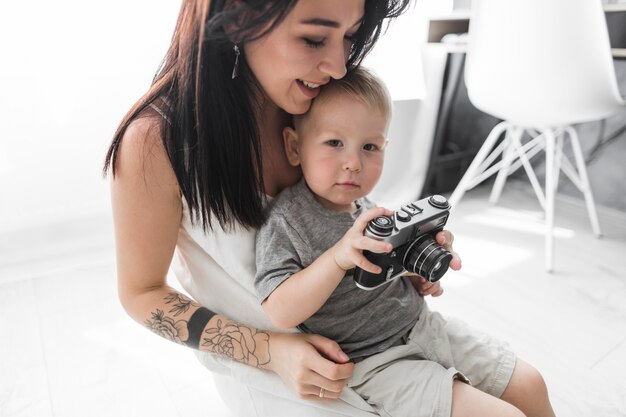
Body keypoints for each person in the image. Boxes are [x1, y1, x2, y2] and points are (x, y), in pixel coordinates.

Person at [103, 0, 554, 416]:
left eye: (351, 36)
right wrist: (270, 350)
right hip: (290, 375)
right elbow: (141, 294)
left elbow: (347, 224)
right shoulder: (156, 143)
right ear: (239, 16)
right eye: (314, 39)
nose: (338, 65)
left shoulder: (319, 101)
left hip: (395, 335)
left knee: (530, 386)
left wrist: (402, 258)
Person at [254, 67, 557, 417]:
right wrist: (338, 258)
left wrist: (416, 273)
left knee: (530, 382)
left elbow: (387, 275)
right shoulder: (286, 221)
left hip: (425, 327)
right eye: (334, 143)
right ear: (295, 147)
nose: (353, 163)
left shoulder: (371, 210)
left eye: (370, 146)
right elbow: (278, 310)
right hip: (375, 363)